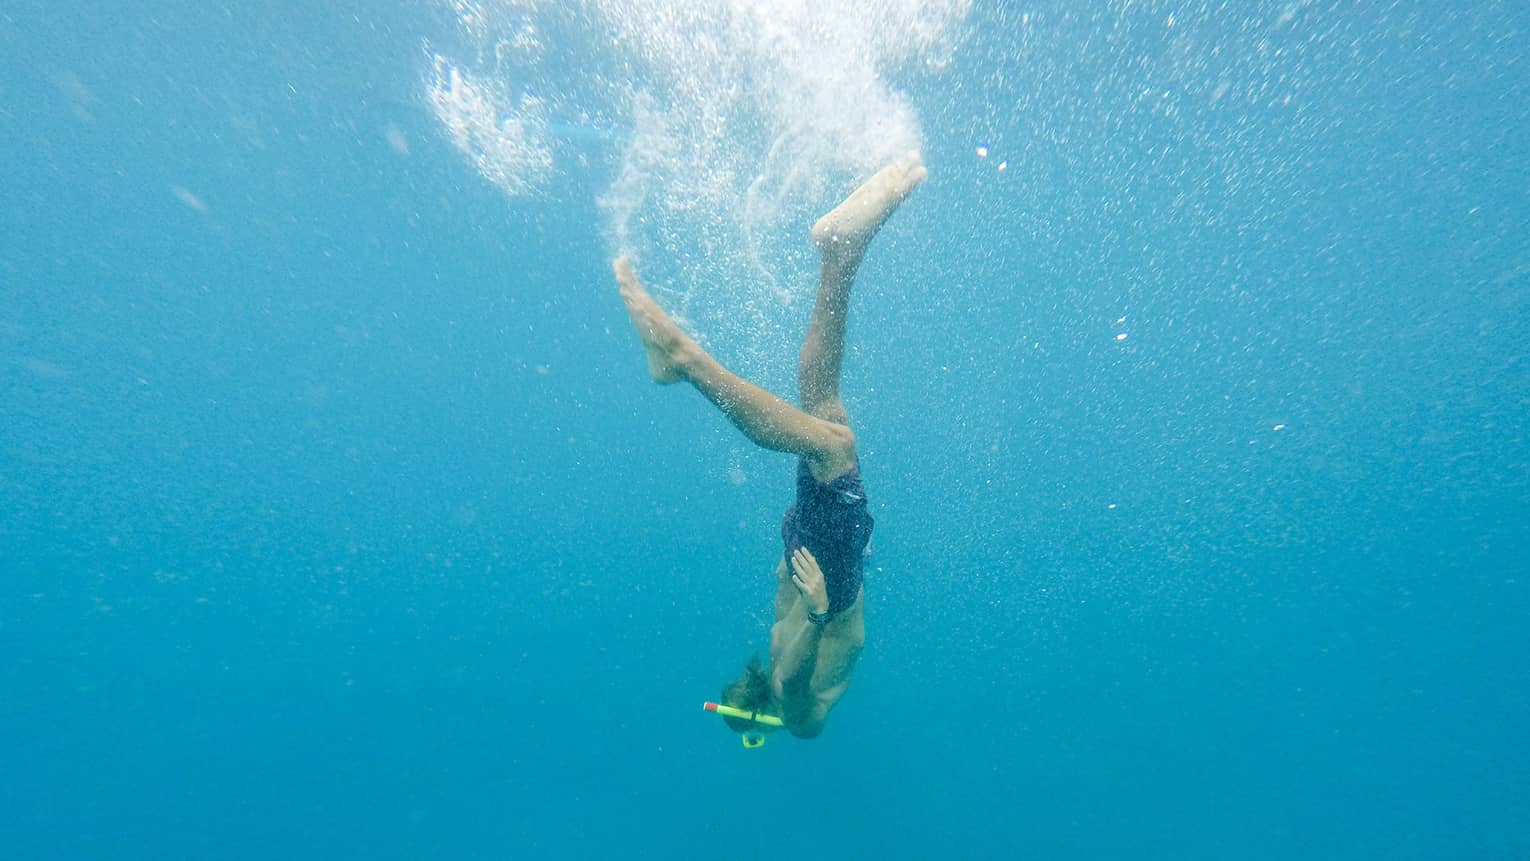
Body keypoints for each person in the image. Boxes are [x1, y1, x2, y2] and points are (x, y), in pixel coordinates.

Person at [615, 153, 927, 738]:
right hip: (814, 548)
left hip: (829, 578)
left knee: (834, 443)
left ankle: (684, 362)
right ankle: (838, 255)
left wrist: (817, 611)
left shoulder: (799, 715)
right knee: (823, 405)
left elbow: (789, 687)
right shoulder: (780, 650)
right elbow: (782, 660)